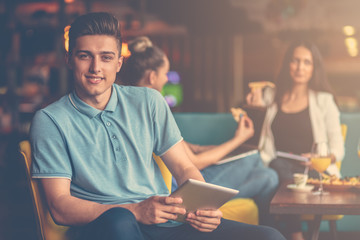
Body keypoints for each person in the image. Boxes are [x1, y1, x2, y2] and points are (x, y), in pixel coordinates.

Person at [30, 12, 285, 240]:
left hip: (164, 223)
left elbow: (184, 166)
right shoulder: (50, 120)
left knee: (270, 236)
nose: (96, 67)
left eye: (106, 57)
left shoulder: (149, 101)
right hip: (104, 227)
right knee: (120, 221)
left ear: (118, 63)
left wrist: (204, 206)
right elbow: (60, 207)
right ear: (69, 59)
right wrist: (135, 210)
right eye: (85, 56)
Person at [119, 36, 279, 226]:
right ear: (152, 77)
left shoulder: (139, 105)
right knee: (254, 158)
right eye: (165, 73)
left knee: (269, 177)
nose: (166, 79)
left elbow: (189, 148)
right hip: (179, 186)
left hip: (184, 179)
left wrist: (220, 148)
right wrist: (238, 140)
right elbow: (192, 163)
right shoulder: (149, 106)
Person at [247, 40, 344, 240]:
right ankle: (288, 235)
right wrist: (255, 109)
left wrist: (320, 158)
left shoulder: (324, 100)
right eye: (295, 61)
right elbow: (252, 136)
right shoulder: (270, 96)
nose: (300, 67)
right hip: (277, 166)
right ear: (287, 64)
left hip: (311, 169)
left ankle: (293, 235)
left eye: (307, 62)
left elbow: (337, 149)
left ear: (314, 68)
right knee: (275, 169)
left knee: (278, 176)